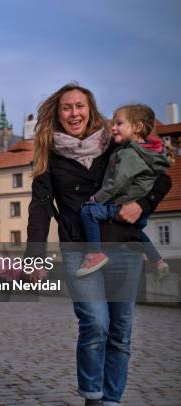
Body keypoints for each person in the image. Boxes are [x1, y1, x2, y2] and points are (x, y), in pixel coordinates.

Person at [26, 83, 171, 406]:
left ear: (90, 109)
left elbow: (162, 177)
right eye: (67, 107)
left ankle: (112, 402)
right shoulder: (50, 154)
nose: (74, 113)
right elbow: (40, 207)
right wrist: (34, 257)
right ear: (58, 113)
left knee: (120, 332)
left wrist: (143, 205)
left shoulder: (114, 144)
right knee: (94, 322)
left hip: (125, 246)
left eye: (80, 106)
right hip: (80, 250)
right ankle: (93, 399)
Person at [78, 104, 171, 277]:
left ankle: (94, 253)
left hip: (123, 204)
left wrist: (97, 198)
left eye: (119, 123)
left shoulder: (128, 153)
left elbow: (118, 181)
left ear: (137, 127)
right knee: (136, 232)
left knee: (88, 211)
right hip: (135, 208)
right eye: (112, 123)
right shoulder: (147, 152)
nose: (113, 127)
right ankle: (158, 261)